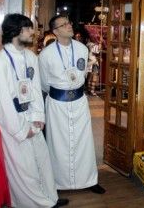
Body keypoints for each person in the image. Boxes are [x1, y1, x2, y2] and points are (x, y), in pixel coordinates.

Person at [0, 14, 67, 208]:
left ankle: (50, 197)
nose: (33, 32)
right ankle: (36, 204)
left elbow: (35, 89)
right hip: (13, 125)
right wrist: (21, 128)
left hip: (32, 121)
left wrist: (38, 117)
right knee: (24, 169)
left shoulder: (30, 56)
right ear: (15, 31)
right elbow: (0, 102)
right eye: (28, 29)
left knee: (43, 162)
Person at [39, 15, 105, 195]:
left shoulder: (82, 49)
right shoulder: (46, 54)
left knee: (84, 142)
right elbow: (44, 82)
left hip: (79, 102)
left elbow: (83, 74)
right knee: (57, 144)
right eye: (64, 24)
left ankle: (89, 180)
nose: (69, 26)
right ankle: (58, 183)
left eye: (69, 22)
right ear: (55, 31)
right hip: (56, 105)